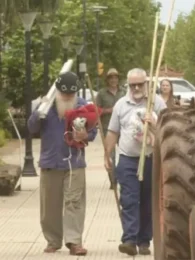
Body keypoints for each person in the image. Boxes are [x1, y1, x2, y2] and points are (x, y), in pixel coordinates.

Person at [27, 71, 97, 256]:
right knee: (50, 204)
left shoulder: (82, 106)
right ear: (57, 91)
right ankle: (53, 240)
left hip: (75, 162)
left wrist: (86, 135)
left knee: (74, 202)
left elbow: (93, 130)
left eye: (71, 95)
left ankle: (74, 241)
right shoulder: (46, 106)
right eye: (64, 94)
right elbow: (31, 127)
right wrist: (38, 111)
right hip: (50, 161)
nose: (67, 98)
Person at [104, 68, 167, 256]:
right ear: (128, 85)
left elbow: (167, 130)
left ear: (147, 84)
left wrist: (155, 125)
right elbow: (113, 131)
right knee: (129, 200)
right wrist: (107, 154)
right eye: (133, 85)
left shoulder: (157, 103)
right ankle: (129, 239)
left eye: (140, 84)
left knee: (148, 201)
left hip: (151, 159)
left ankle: (144, 241)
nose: (137, 87)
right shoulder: (121, 105)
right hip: (127, 159)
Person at [95, 68, 126, 190]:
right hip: (108, 128)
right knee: (110, 155)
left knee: (125, 154)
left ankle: (124, 178)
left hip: (123, 128)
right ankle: (113, 181)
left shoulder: (123, 92)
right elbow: (96, 111)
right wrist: (109, 110)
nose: (114, 80)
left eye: (115, 77)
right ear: (107, 80)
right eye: (111, 78)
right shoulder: (101, 94)